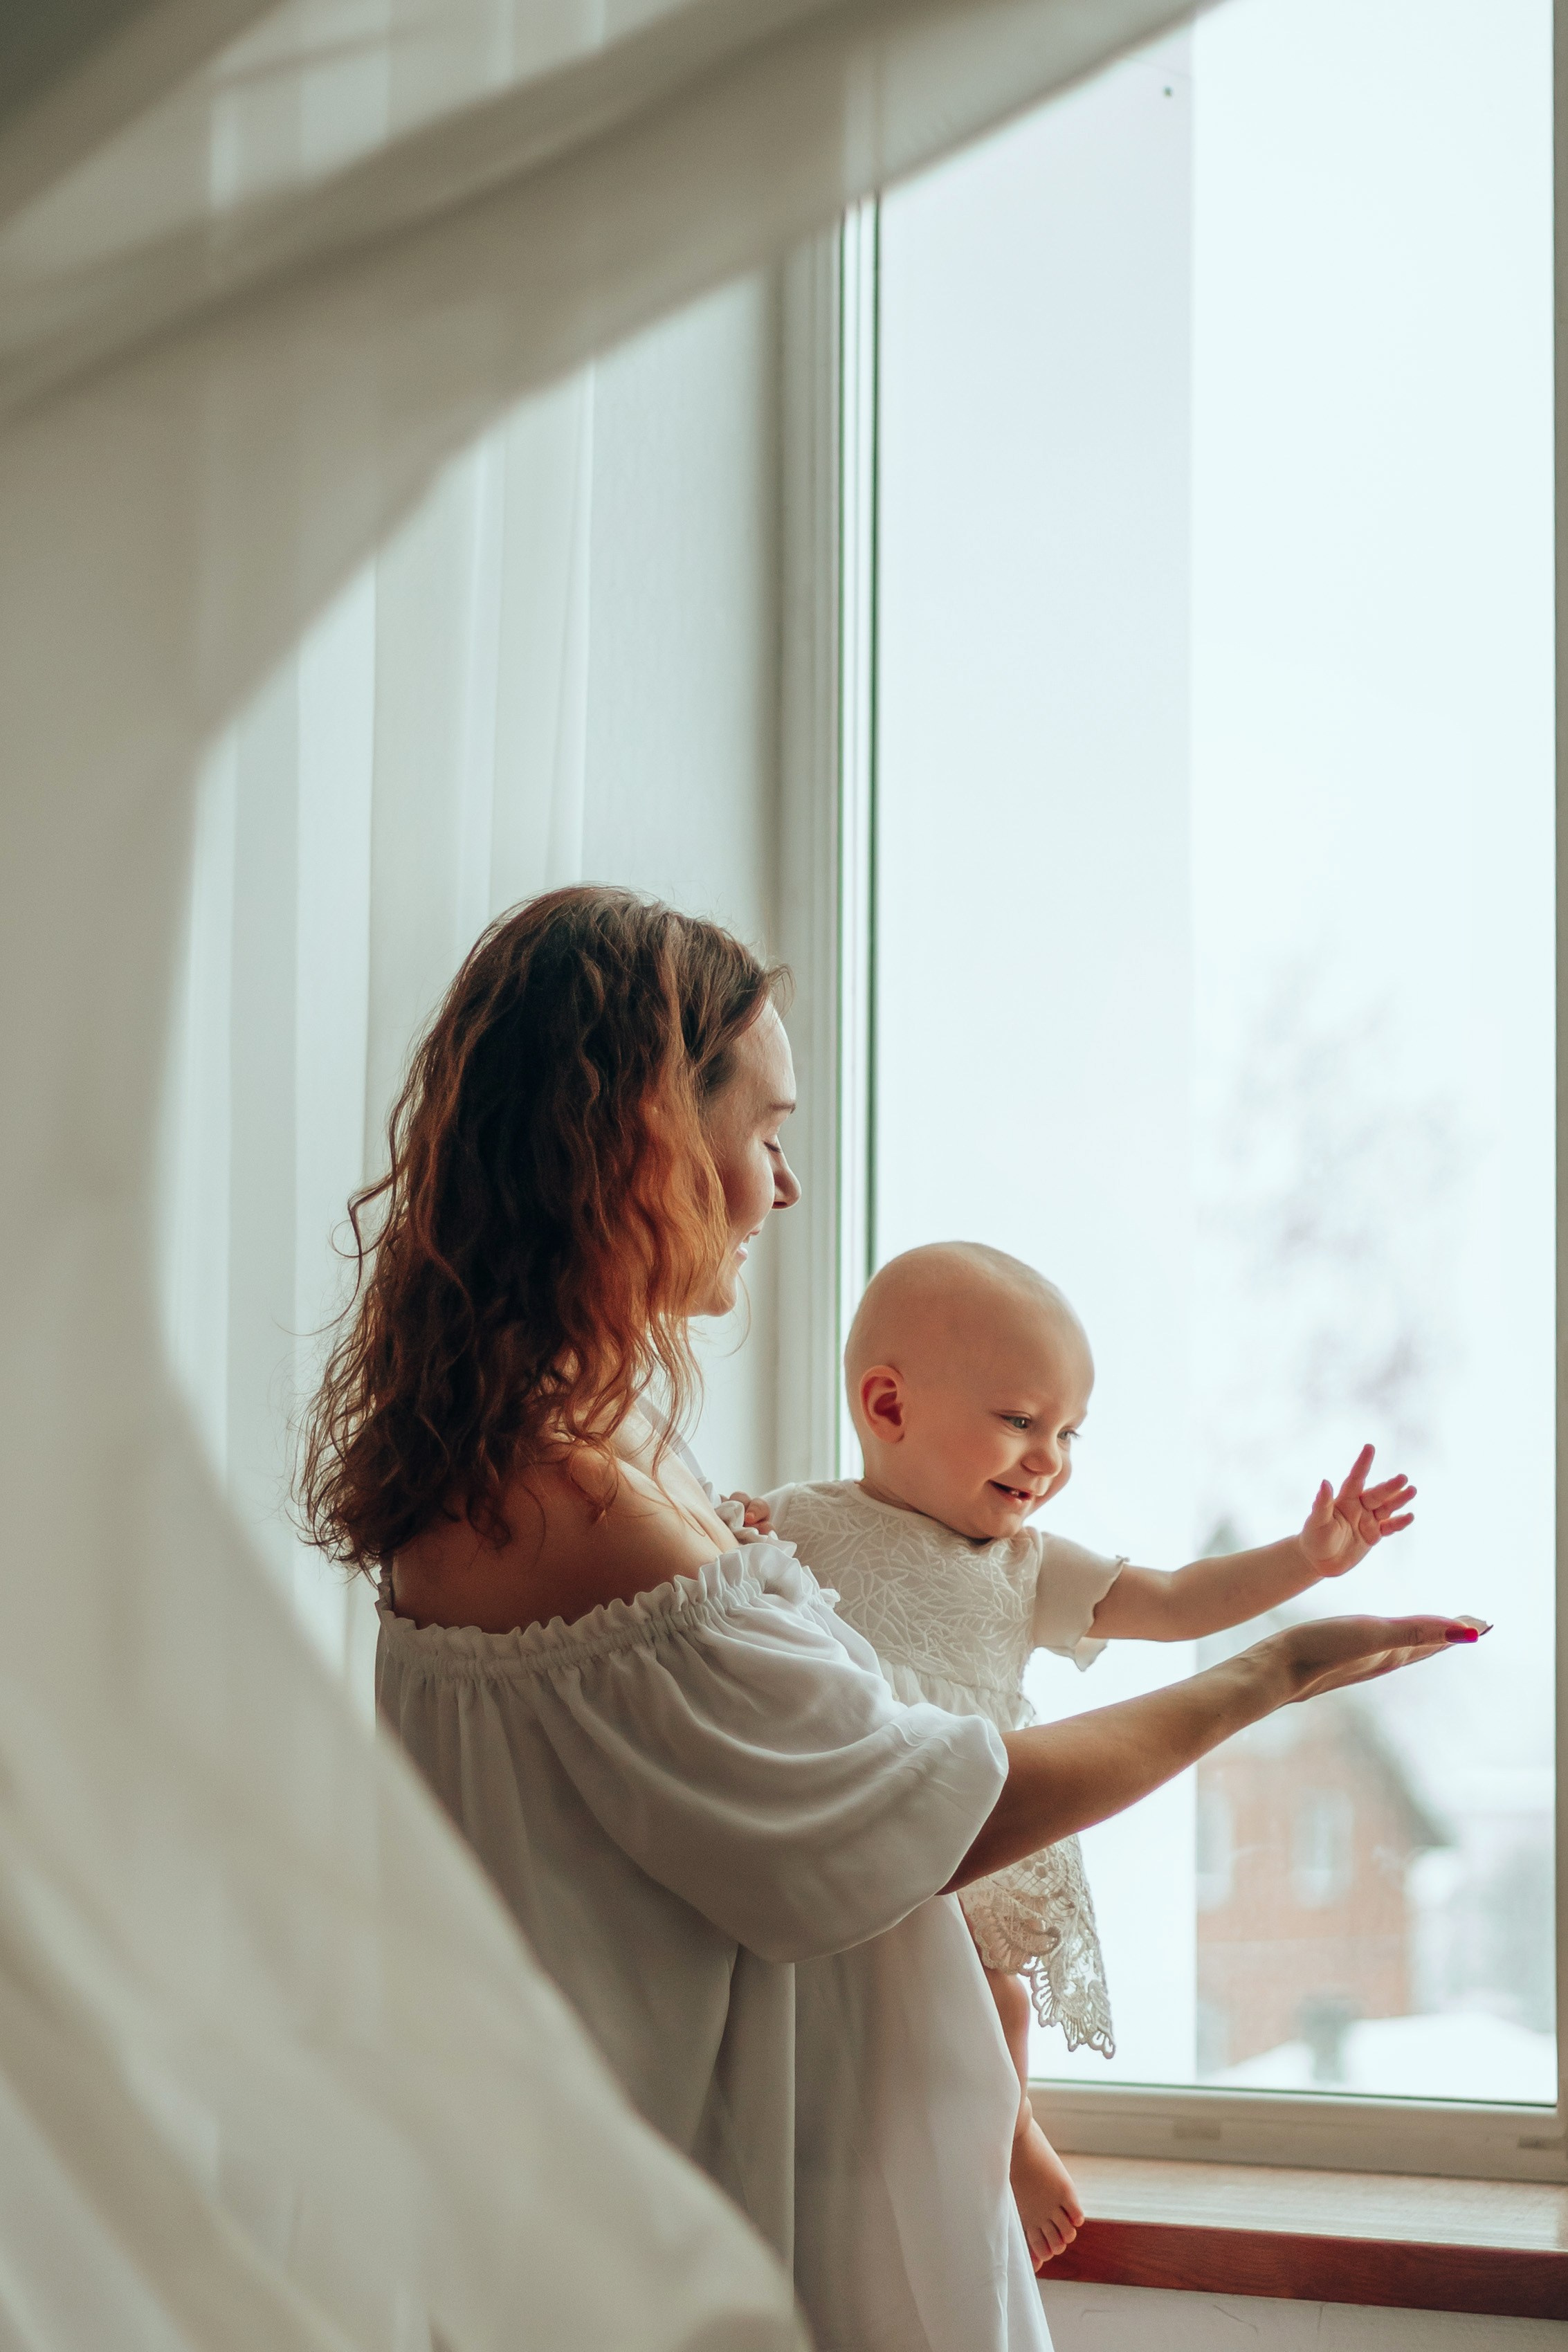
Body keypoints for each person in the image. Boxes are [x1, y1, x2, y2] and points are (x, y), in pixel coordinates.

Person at [299, 886, 1484, 2352]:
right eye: (765, 1133)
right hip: (724, 2233)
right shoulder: (570, 1502)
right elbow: (931, 1813)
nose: (782, 1187)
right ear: (645, 1143)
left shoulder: (580, 1463)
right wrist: (1267, 1674)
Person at [756, 1242, 1441, 2274]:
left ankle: (1012, 2134)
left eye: (1068, 1432)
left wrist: (1305, 1559)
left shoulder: (1025, 1566)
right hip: (845, 1811)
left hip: (978, 1819)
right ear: (888, 1406)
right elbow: (702, 1589)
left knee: (993, 1998)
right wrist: (729, 1532)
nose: (1049, 1460)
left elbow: (1174, 1601)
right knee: (828, 2010)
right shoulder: (793, 1522)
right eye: (1020, 1421)